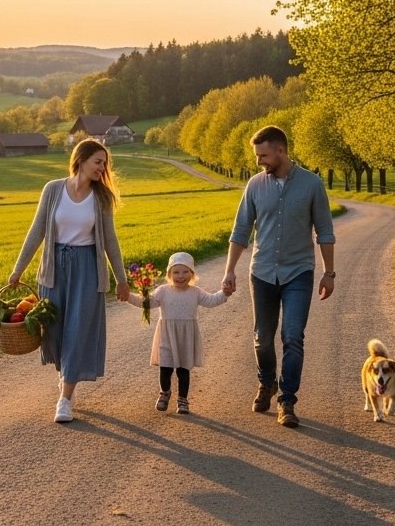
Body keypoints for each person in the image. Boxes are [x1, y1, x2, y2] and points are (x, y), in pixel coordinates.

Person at [221, 125, 335, 429]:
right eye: (257, 155)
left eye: (263, 155)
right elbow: (241, 230)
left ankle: (287, 399)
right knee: (262, 339)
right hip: (262, 273)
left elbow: (325, 231)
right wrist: (230, 270)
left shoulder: (312, 184)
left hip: (299, 272)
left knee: (293, 336)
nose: (259, 161)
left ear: (281, 150)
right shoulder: (255, 186)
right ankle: (267, 382)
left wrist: (329, 273)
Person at [9, 139, 130, 423]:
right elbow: (36, 231)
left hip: (87, 269)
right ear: (81, 160)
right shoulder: (53, 190)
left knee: (78, 329)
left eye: (104, 163)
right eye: (98, 161)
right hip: (54, 268)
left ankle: (64, 398)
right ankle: (67, 376)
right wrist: (18, 270)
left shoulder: (101, 198)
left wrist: (121, 279)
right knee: (56, 330)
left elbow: (110, 241)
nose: (103, 168)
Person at [126, 251, 232, 414]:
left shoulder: (195, 292)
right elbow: (145, 303)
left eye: (185, 272)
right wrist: (128, 296)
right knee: (165, 368)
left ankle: (183, 399)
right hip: (167, 336)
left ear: (192, 274)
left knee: (183, 370)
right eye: (176, 272)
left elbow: (211, 300)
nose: (181, 276)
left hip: (185, 338)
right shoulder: (162, 291)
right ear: (169, 274)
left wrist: (224, 293)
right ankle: (165, 393)